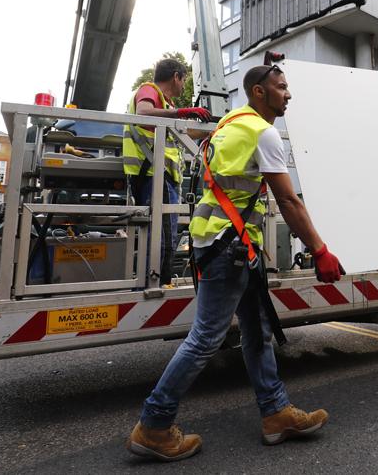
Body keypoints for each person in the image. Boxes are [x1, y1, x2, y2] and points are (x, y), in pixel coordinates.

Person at [127, 62, 345, 462]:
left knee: (257, 329)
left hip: (225, 243)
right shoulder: (263, 132)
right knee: (207, 337)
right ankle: (154, 425)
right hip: (231, 245)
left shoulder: (230, 125)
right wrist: (319, 250)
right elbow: (289, 201)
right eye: (281, 87)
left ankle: (275, 412)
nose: (288, 94)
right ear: (259, 92)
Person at [122, 58, 210, 281]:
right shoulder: (149, 90)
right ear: (176, 77)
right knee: (161, 235)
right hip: (153, 173)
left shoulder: (166, 107)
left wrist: (211, 130)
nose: (183, 86)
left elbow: (186, 133)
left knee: (164, 233)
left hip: (159, 175)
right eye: (184, 80)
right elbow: (142, 112)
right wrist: (182, 112)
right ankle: (155, 284)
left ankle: (156, 281)